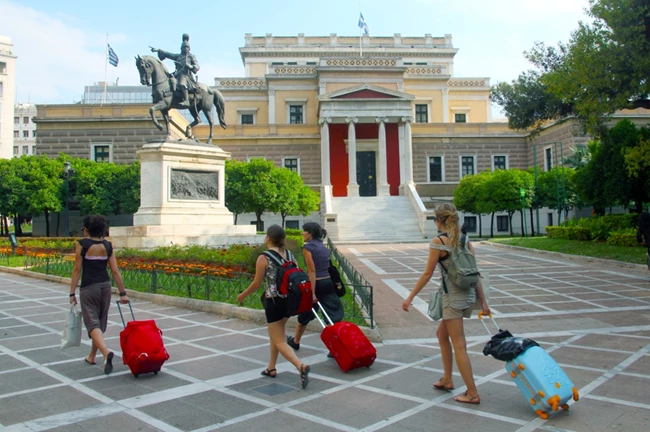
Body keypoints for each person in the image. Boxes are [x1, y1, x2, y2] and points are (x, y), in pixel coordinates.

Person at [402, 203, 490, 404]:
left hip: (452, 299)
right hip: (467, 296)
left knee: (460, 345)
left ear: (439, 221)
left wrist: (410, 297)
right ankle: (447, 378)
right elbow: (475, 273)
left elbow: (427, 273)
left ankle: (472, 392)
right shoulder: (465, 240)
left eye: (435, 219)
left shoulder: (438, 242)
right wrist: (483, 302)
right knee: (442, 334)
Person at [237, 225, 311, 389]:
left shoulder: (264, 257)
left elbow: (257, 284)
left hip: (274, 302)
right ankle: (271, 367)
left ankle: (300, 366)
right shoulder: (290, 255)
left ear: (268, 238)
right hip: (289, 301)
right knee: (276, 334)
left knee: (279, 339)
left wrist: (243, 295)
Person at [69, 215, 129, 375]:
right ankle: (91, 356)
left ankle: (105, 352)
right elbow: (115, 270)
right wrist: (123, 293)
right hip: (105, 287)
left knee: (92, 323)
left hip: (89, 288)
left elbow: (77, 269)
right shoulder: (108, 245)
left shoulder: (82, 244)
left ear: (86, 230)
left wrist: (71, 292)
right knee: (100, 321)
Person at [286, 222, 344, 354]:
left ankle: (296, 341)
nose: (302, 233)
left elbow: (312, 271)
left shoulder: (308, 248)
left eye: (304, 231)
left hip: (316, 283)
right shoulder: (322, 246)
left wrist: (311, 293)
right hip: (328, 282)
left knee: (305, 312)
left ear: (310, 233)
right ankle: (334, 347)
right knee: (331, 315)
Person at [150, 33, 199, 108]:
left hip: (186, 76)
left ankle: (186, 101)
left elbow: (197, 66)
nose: (185, 49)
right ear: (181, 48)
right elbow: (168, 54)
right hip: (177, 75)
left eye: (186, 48)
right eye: (183, 48)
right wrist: (158, 50)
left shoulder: (191, 57)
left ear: (189, 49)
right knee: (167, 83)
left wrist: (190, 66)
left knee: (182, 84)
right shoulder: (178, 56)